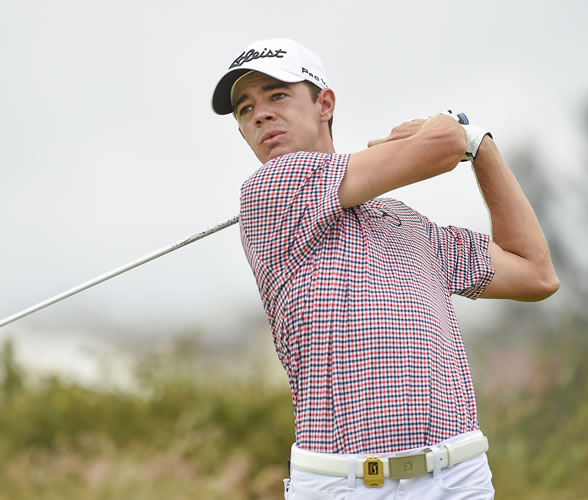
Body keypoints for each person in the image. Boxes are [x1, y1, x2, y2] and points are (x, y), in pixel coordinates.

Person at [211, 38, 558, 499]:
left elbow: (535, 273)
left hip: (456, 474)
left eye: (277, 95)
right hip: (343, 483)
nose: (260, 114)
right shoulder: (271, 190)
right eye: (244, 109)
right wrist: (452, 130)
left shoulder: (405, 223)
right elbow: (441, 144)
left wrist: (481, 146)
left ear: (324, 104)